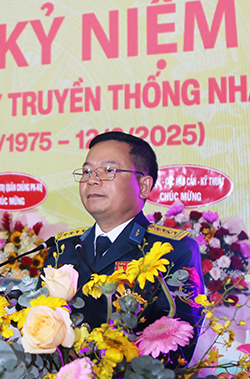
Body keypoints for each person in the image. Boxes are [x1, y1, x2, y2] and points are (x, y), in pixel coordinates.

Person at [53, 131, 203, 358]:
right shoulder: (63, 247)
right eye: (87, 171)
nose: (92, 180)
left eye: (108, 170)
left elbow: (179, 344)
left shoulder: (175, 250)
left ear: (144, 186)